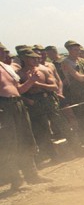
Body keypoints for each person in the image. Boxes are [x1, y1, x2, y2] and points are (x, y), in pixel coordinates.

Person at [17, 48, 84, 161]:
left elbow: (54, 86)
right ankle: (53, 156)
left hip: (48, 99)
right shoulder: (19, 73)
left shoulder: (43, 69)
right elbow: (17, 91)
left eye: (36, 57)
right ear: (24, 59)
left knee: (63, 125)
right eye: (31, 58)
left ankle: (77, 149)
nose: (35, 60)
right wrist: (28, 97)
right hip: (34, 102)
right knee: (43, 131)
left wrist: (37, 83)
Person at [0, 45, 51, 190]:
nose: (4, 54)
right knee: (9, 143)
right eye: (1, 51)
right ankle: (15, 178)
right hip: (3, 107)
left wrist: (32, 80)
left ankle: (32, 175)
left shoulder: (6, 67)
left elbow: (19, 89)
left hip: (17, 104)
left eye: (4, 51)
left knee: (26, 138)